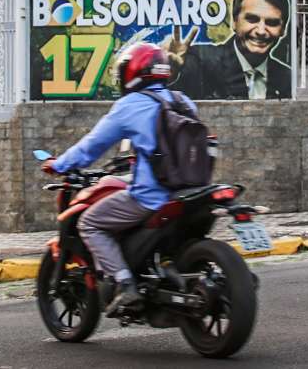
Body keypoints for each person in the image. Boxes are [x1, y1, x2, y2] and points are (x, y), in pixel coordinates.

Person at [41, 42, 197, 317]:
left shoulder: (130, 105)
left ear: (132, 72)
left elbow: (92, 146)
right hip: (190, 191)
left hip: (152, 196)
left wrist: (60, 164)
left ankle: (125, 284)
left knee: (90, 223)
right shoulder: (183, 100)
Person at [166, 0, 292, 100]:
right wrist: (173, 74)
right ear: (234, 22)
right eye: (252, 19)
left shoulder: (286, 77)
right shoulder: (202, 60)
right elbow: (168, 101)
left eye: (272, 23)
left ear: (283, 30)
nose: (261, 31)